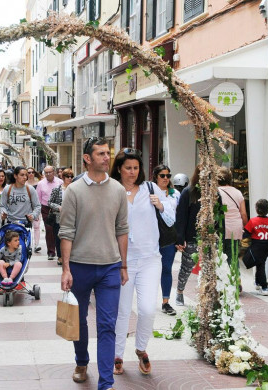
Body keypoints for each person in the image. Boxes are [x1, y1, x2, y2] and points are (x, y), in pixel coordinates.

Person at [59, 137, 129, 390]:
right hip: (79, 266)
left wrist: (123, 265)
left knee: (107, 325)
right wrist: (66, 269)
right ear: (87, 158)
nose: (106, 157)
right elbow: (66, 231)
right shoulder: (74, 191)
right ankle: (81, 361)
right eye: (100, 154)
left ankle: (106, 384)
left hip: (110, 267)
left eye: (107, 153)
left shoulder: (118, 190)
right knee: (79, 321)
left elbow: (122, 229)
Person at [110, 150, 175, 377]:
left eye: (136, 168)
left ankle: (141, 349)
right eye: (128, 168)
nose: (132, 172)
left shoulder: (151, 188)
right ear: (119, 168)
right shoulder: (111, 189)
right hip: (121, 260)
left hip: (149, 258)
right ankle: (117, 355)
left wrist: (161, 205)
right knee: (122, 310)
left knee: (147, 309)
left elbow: (170, 218)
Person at [174, 165, 223, 306]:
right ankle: (180, 291)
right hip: (192, 236)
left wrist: (218, 234)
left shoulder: (215, 194)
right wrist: (180, 237)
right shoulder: (188, 192)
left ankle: (206, 295)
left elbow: (219, 216)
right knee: (187, 266)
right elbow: (181, 216)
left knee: (209, 267)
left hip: (209, 237)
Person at [152, 164, 180, 315]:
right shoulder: (149, 191)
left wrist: (181, 238)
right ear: (156, 176)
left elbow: (178, 215)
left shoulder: (174, 193)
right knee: (150, 271)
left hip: (169, 236)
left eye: (168, 176)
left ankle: (166, 302)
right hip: (151, 237)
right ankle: (148, 300)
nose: (165, 179)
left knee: (167, 269)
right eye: (162, 175)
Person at [243, 199, 268, 296]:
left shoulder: (253, 221)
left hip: (257, 244)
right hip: (267, 244)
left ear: (256, 209)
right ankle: (257, 282)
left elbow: (246, 233)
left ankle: (264, 287)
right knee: (260, 263)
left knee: (259, 263)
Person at [218, 167, 248, 266]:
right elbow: (243, 214)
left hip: (220, 228)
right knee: (233, 258)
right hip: (235, 229)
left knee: (220, 258)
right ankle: (236, 279)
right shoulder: (238, 193)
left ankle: (221, 280)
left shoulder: (216, 192)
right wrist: (246, 228)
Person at [48, 168, 74, 266]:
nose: (70, 178)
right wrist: (59, 207)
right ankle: (60, 256)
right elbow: (49, 202)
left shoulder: (75, 189)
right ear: (63, 177)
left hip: (72, 217)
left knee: (71, 236)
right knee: (59, 237)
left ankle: (69, 256)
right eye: (68, 176)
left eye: (71, 176)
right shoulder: (57, 189)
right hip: (59, 217)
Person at [36, 165, 62, 260]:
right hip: (46, 209)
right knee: (49, 229)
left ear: (54, 172)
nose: (48, 174)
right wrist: (37, 213)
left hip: (58, 208)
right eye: (46, 172)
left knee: (58, 230)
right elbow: (38, 199)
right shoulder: (40, 184)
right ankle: (51, 252)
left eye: (50, 172)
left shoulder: (60, 182)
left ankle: (60, 251)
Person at [26, 167, 43, 253]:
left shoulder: (39, 183)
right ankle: (27, 244)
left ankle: (37, 244)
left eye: (32, 172)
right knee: (27, 227)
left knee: (36, 226)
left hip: (36, 207)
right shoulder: (24, 184)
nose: (31, 174)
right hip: (26, 208)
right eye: (29, 172)